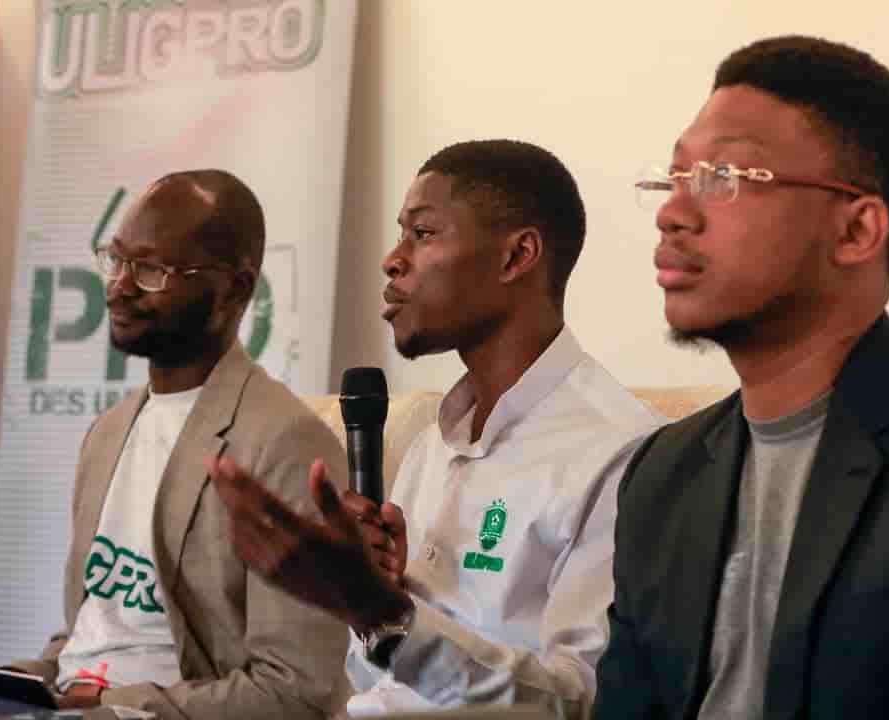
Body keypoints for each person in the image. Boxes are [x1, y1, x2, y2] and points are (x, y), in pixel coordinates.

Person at [592, 35, 889, 720]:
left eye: (725, 175)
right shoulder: (663, 472)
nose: (673, 211)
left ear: (856, 231)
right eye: (675, 177)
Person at [210, 139, 665, 719]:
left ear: (516, 256)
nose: (392, 259)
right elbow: (375, 684)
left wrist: (384, 614)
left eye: (422, 234)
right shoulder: (431, 444)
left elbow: (576, 703)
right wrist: (376, 598)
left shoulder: (621, 452)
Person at [9, 170, 351, 718]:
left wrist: (110, 707)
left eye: (151, 270)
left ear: (233, 290)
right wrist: (18, 683)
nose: (119, 286)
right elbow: (90, 637)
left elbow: (292, 690)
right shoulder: (107, 432)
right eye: (116, 260)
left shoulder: (287, 443)